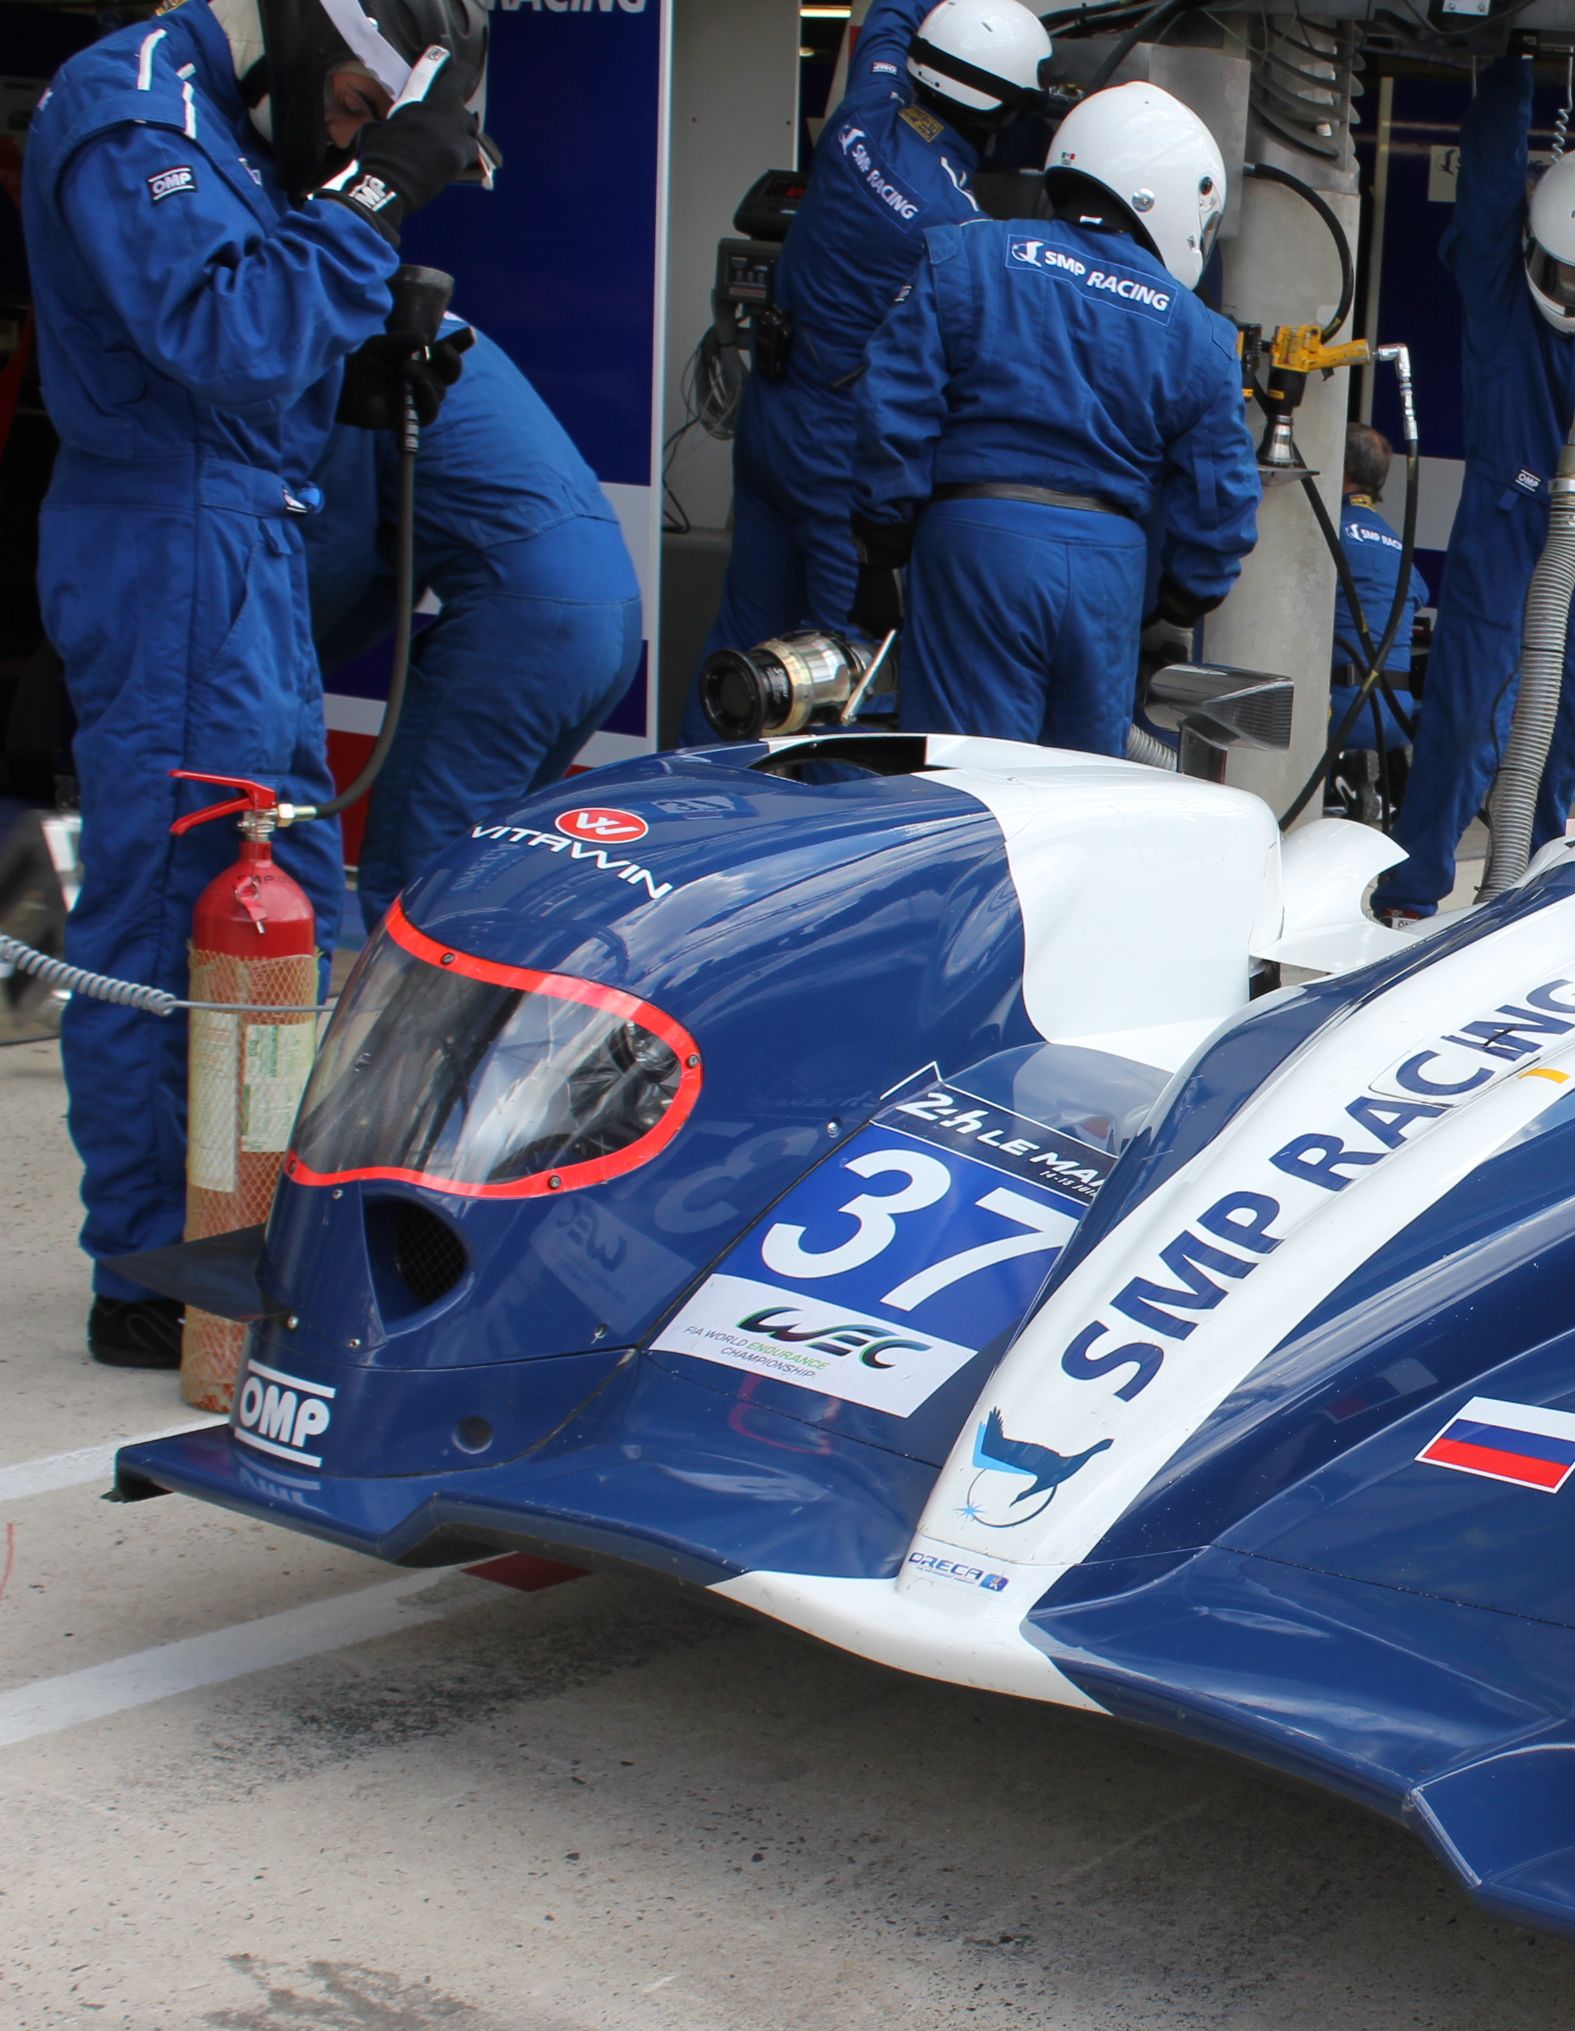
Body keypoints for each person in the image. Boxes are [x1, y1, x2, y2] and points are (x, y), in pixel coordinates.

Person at [24, 0, 488, 1367]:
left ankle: (261, 1224)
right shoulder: (134, 109)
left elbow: (248, 338)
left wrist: (359, 368)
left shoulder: (219, 120)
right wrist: (374, 193)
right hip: (170, 541)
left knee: (289, 902)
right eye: (348, 106)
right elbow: (223, 336)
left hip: (240, 531)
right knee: (172, 905)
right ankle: (145, 1267)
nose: (346, 139)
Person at [848, 82, 1259, 757]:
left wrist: (880, 548)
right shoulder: (1202, 333)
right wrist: (1182, 605)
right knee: (1082, 792)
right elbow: (1223, 502)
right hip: (1109, 573)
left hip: (975, 550)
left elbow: (890, 410)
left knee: (971, 786)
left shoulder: (968, 255)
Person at [684, 0, 1048, 738]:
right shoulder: (956, 227)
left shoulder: (864, 108)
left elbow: (888, 14)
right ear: (1001, 114)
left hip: (771, 419)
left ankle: (694, 795)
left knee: (745, 648)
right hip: (841, 459)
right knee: (839, 677)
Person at [1373, 52, 1575, 923]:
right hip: (1505, 518)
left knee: (1563, 724)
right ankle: (1411, 895)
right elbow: (1487, 190)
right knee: (1466, 715)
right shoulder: (1502, 296)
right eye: (1564, 269)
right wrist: (1511, 70)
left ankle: (1528, 900)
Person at [309, 326, 643, 932]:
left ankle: (419, 1000)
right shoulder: (442, 331)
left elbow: (341, 556)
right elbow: (392, 572)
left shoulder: (362, 344)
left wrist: (286, 664)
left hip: (524, 629)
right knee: (486, 873)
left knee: (419, 891)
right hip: (610, 617)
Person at [1328, 421, 1418, 772]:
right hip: (1398, 712)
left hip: (1340, 707)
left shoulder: (1325, 531)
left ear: (1341, 466)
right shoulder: (1399, 545)